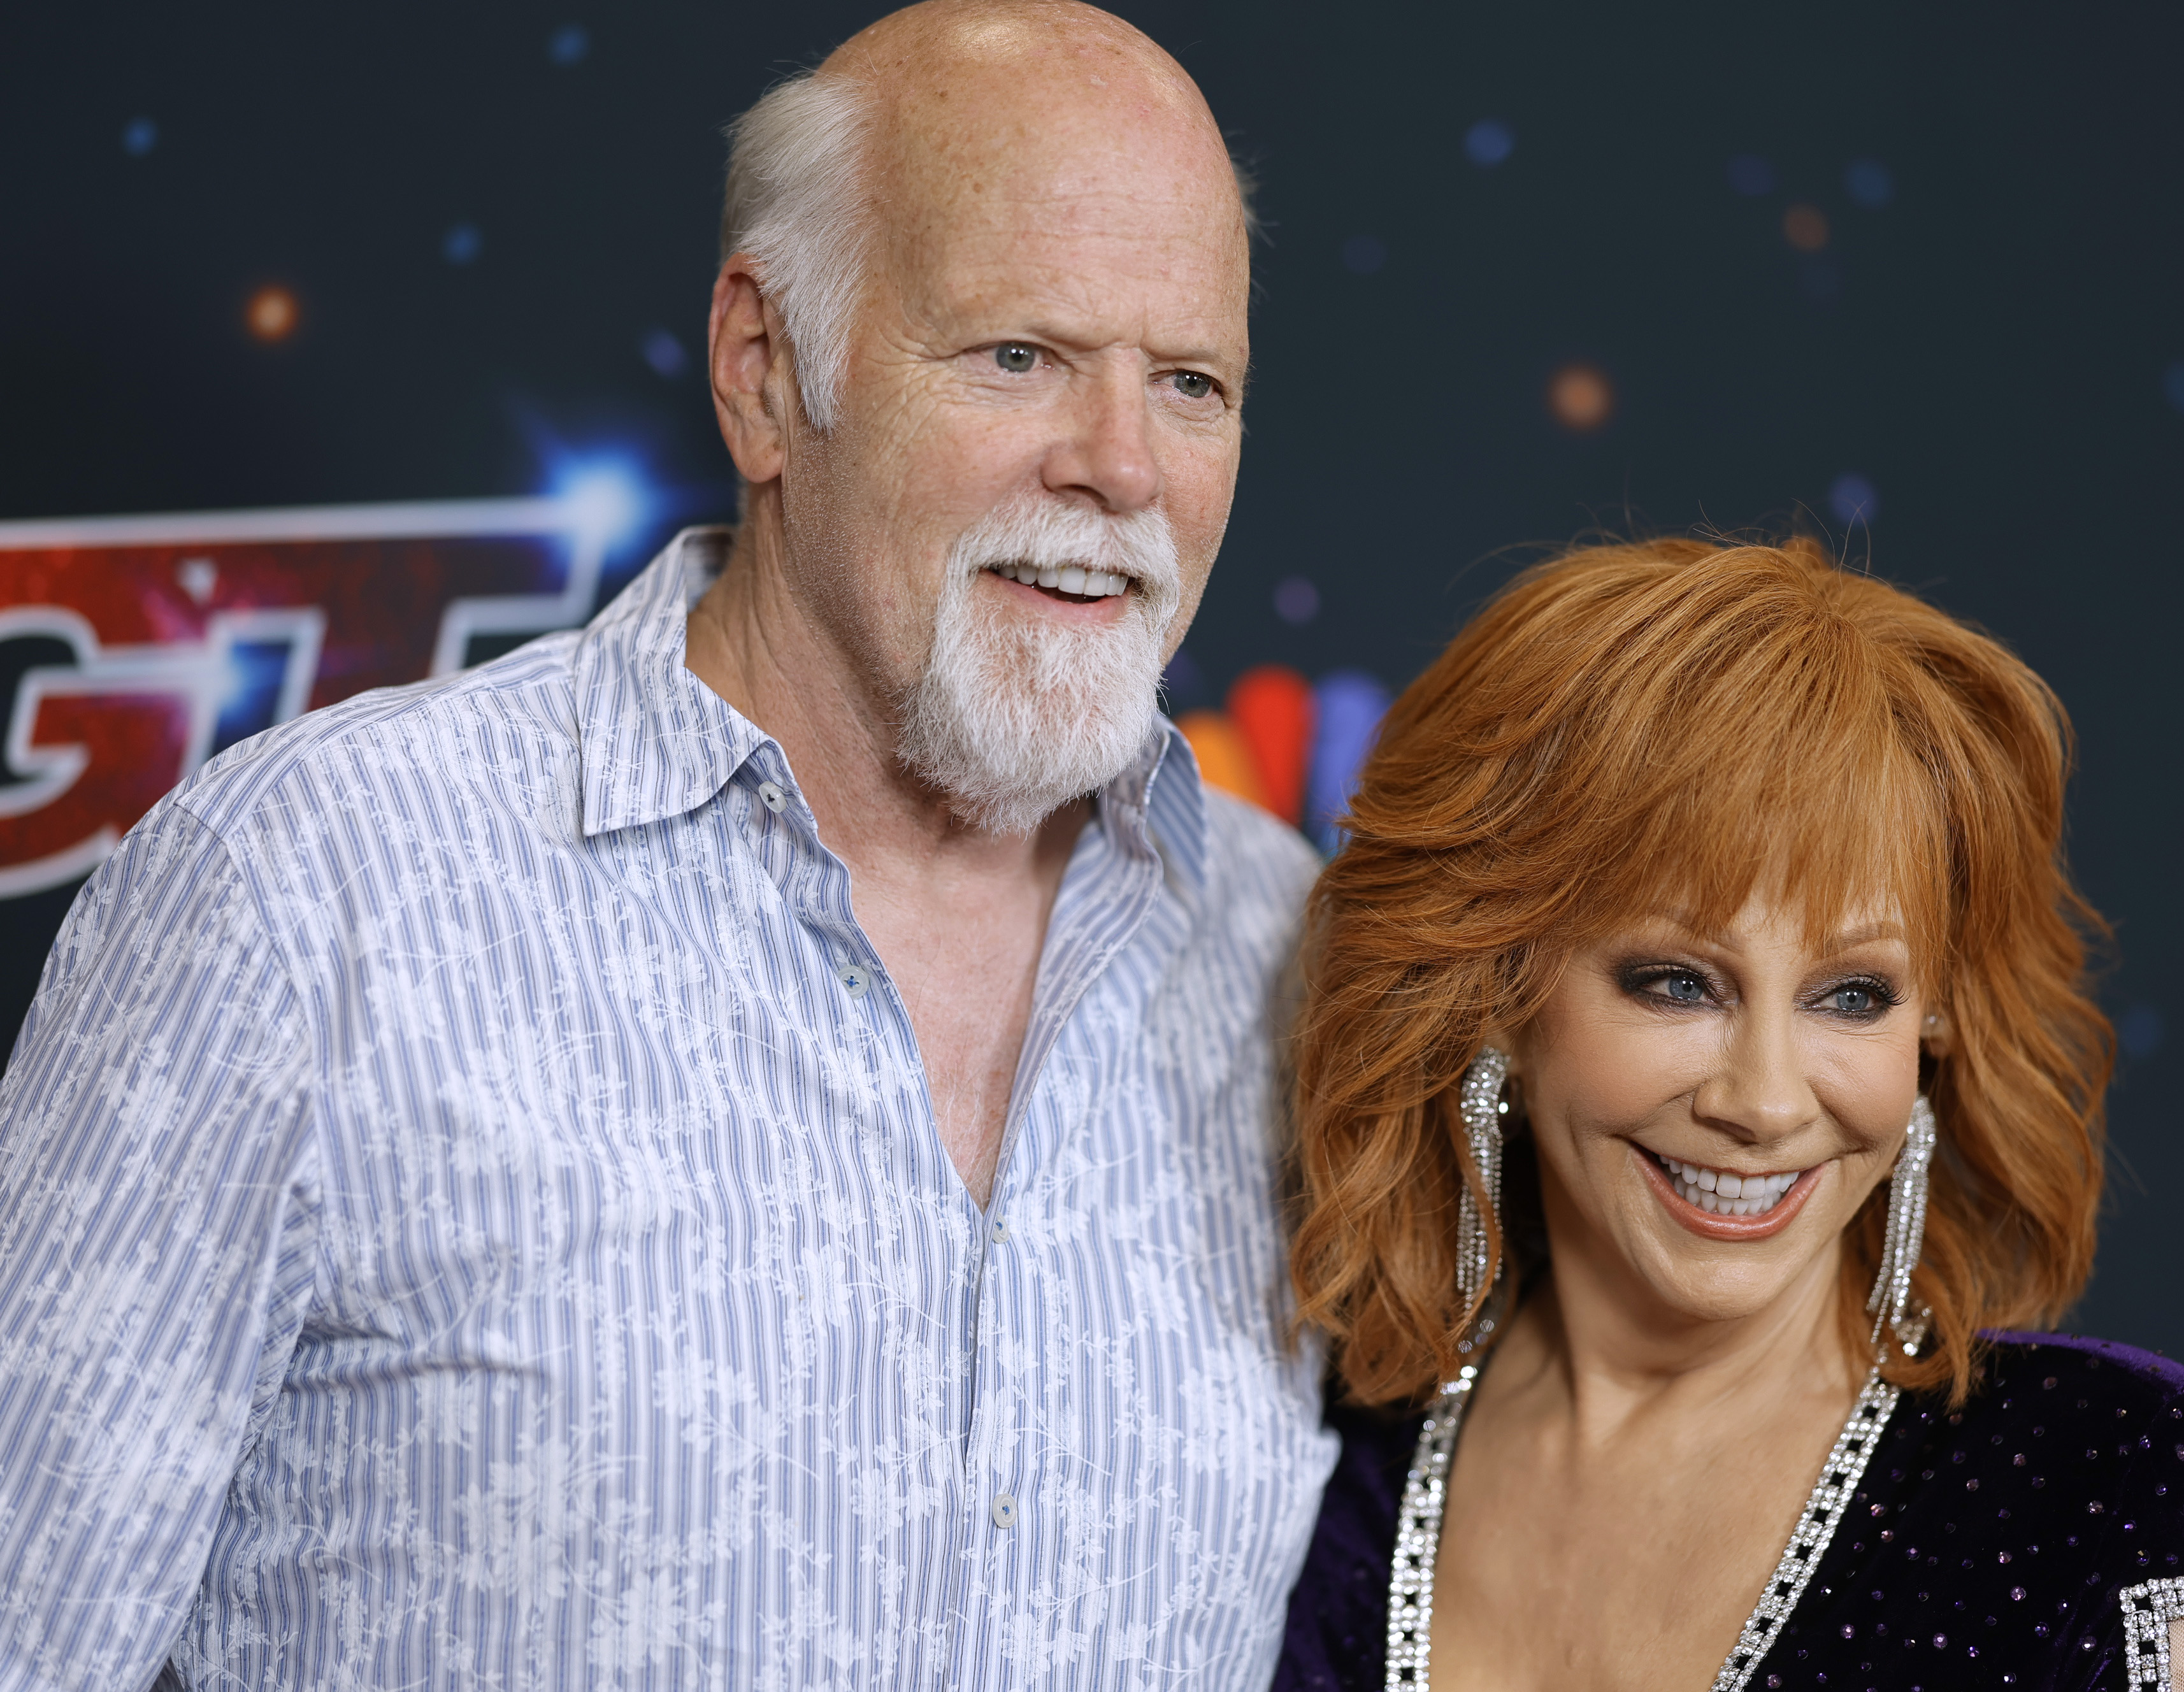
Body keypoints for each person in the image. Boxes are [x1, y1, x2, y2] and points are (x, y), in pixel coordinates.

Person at [0, 3, 1335, 1684]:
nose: (1121, 465)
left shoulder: (1295, 957)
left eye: (1192, 384)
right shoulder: (308, 898)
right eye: (1019, 355)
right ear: (767, 374)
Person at [1275, 538, 2184, 1691]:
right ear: (1494, 992)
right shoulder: (1335, 1451)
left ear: (1936, 1022)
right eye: (1677, 983)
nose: (1762, 1102)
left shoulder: (2102, 1474)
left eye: (1852, 996)